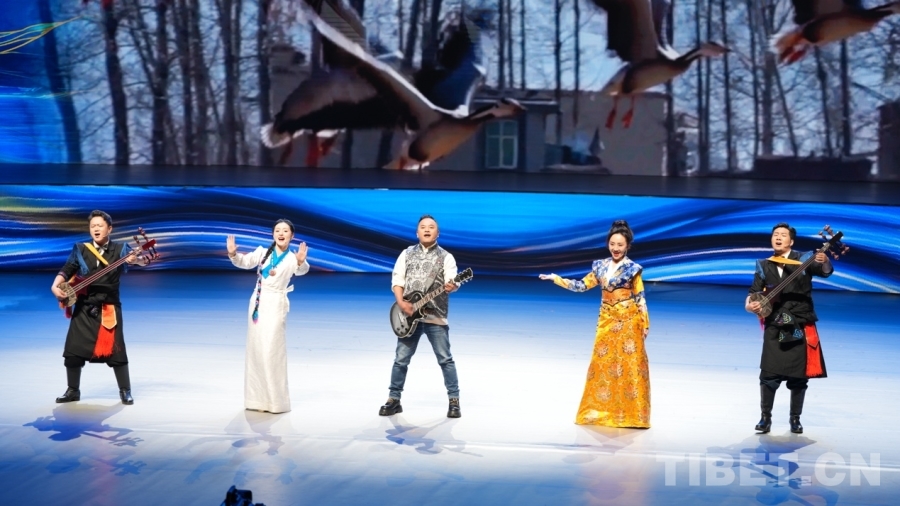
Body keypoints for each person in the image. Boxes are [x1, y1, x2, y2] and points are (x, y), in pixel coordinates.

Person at [539, 219, 651, 428]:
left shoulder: (633, 269)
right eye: (612, 244)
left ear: (627, 246)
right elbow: (582, 285)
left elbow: (640, 298)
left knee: (628, 367)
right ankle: (603, 412)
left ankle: (632, 415)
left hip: (629, 322)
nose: (615, 248)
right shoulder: (600, 266)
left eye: (620, 245)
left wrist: (645, 324)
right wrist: (556, 278)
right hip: (607, 321)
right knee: (602, 365)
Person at [50, 210, 147, 405]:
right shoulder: (81, 249)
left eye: (100, 226)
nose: (96, 229)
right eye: (92, 226)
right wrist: (55, 285)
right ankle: (73, 390)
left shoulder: (121, 249)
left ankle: (125, 390)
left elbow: (143, 261)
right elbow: (67, 270)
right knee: (73, 350)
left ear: (109, 229)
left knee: (116, 350)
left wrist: (135, 259)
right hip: (84, 306)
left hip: (108, 307)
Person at [745, 222, 831, 434]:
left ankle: (795, 418)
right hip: (776, 323)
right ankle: (765, 418)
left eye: (783, 235)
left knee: (798, 376)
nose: (778, 237)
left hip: (799, 322)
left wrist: (825, 261)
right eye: (775, 234)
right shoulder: (763, 264)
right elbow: (754, 292)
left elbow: (824, 271)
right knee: (768, 374)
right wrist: (749, 306)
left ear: (791, 241)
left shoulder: (804, 259)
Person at [379, 215, 462, 418]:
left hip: (435, 315)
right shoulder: (406, 253)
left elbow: (453, 280)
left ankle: (454, 401)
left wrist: (453, 285)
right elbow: (397, 279)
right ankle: (394, 399)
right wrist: (401, 303)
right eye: (423, 227)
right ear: (417, 233)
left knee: (445, 360)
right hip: (408, 317)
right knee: (401, 360)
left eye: (431, 227)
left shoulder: (446, 257)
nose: (427, 229)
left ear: (437, 233)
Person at [227, 219, 309, 414]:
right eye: (278, 230)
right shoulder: (263, 252)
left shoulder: (293, 258)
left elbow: (302, 270)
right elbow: (244, 262)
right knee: (256, 349)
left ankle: (275, 402)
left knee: (272, 350)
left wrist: (300, 261)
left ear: (292, 235)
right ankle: (255, 399)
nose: (281, 233)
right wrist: (233, 254)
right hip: (258, 303)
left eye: (285, 231)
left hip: (276, 304)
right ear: (273, 234)